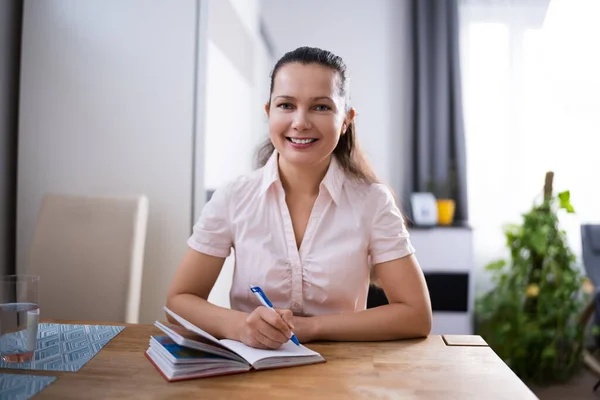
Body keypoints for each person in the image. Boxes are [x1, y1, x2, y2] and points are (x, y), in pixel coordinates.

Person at [166, 46, 432, 350]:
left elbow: (416, 316)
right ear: (269, 112)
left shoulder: (373, 202)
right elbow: (179, 301)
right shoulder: (234, 197)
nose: (301, 122)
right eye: (286, 105)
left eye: (321, 107)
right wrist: (240, 326)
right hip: (250, 371)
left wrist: (312, 327)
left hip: (341, 375)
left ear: (346, 120)